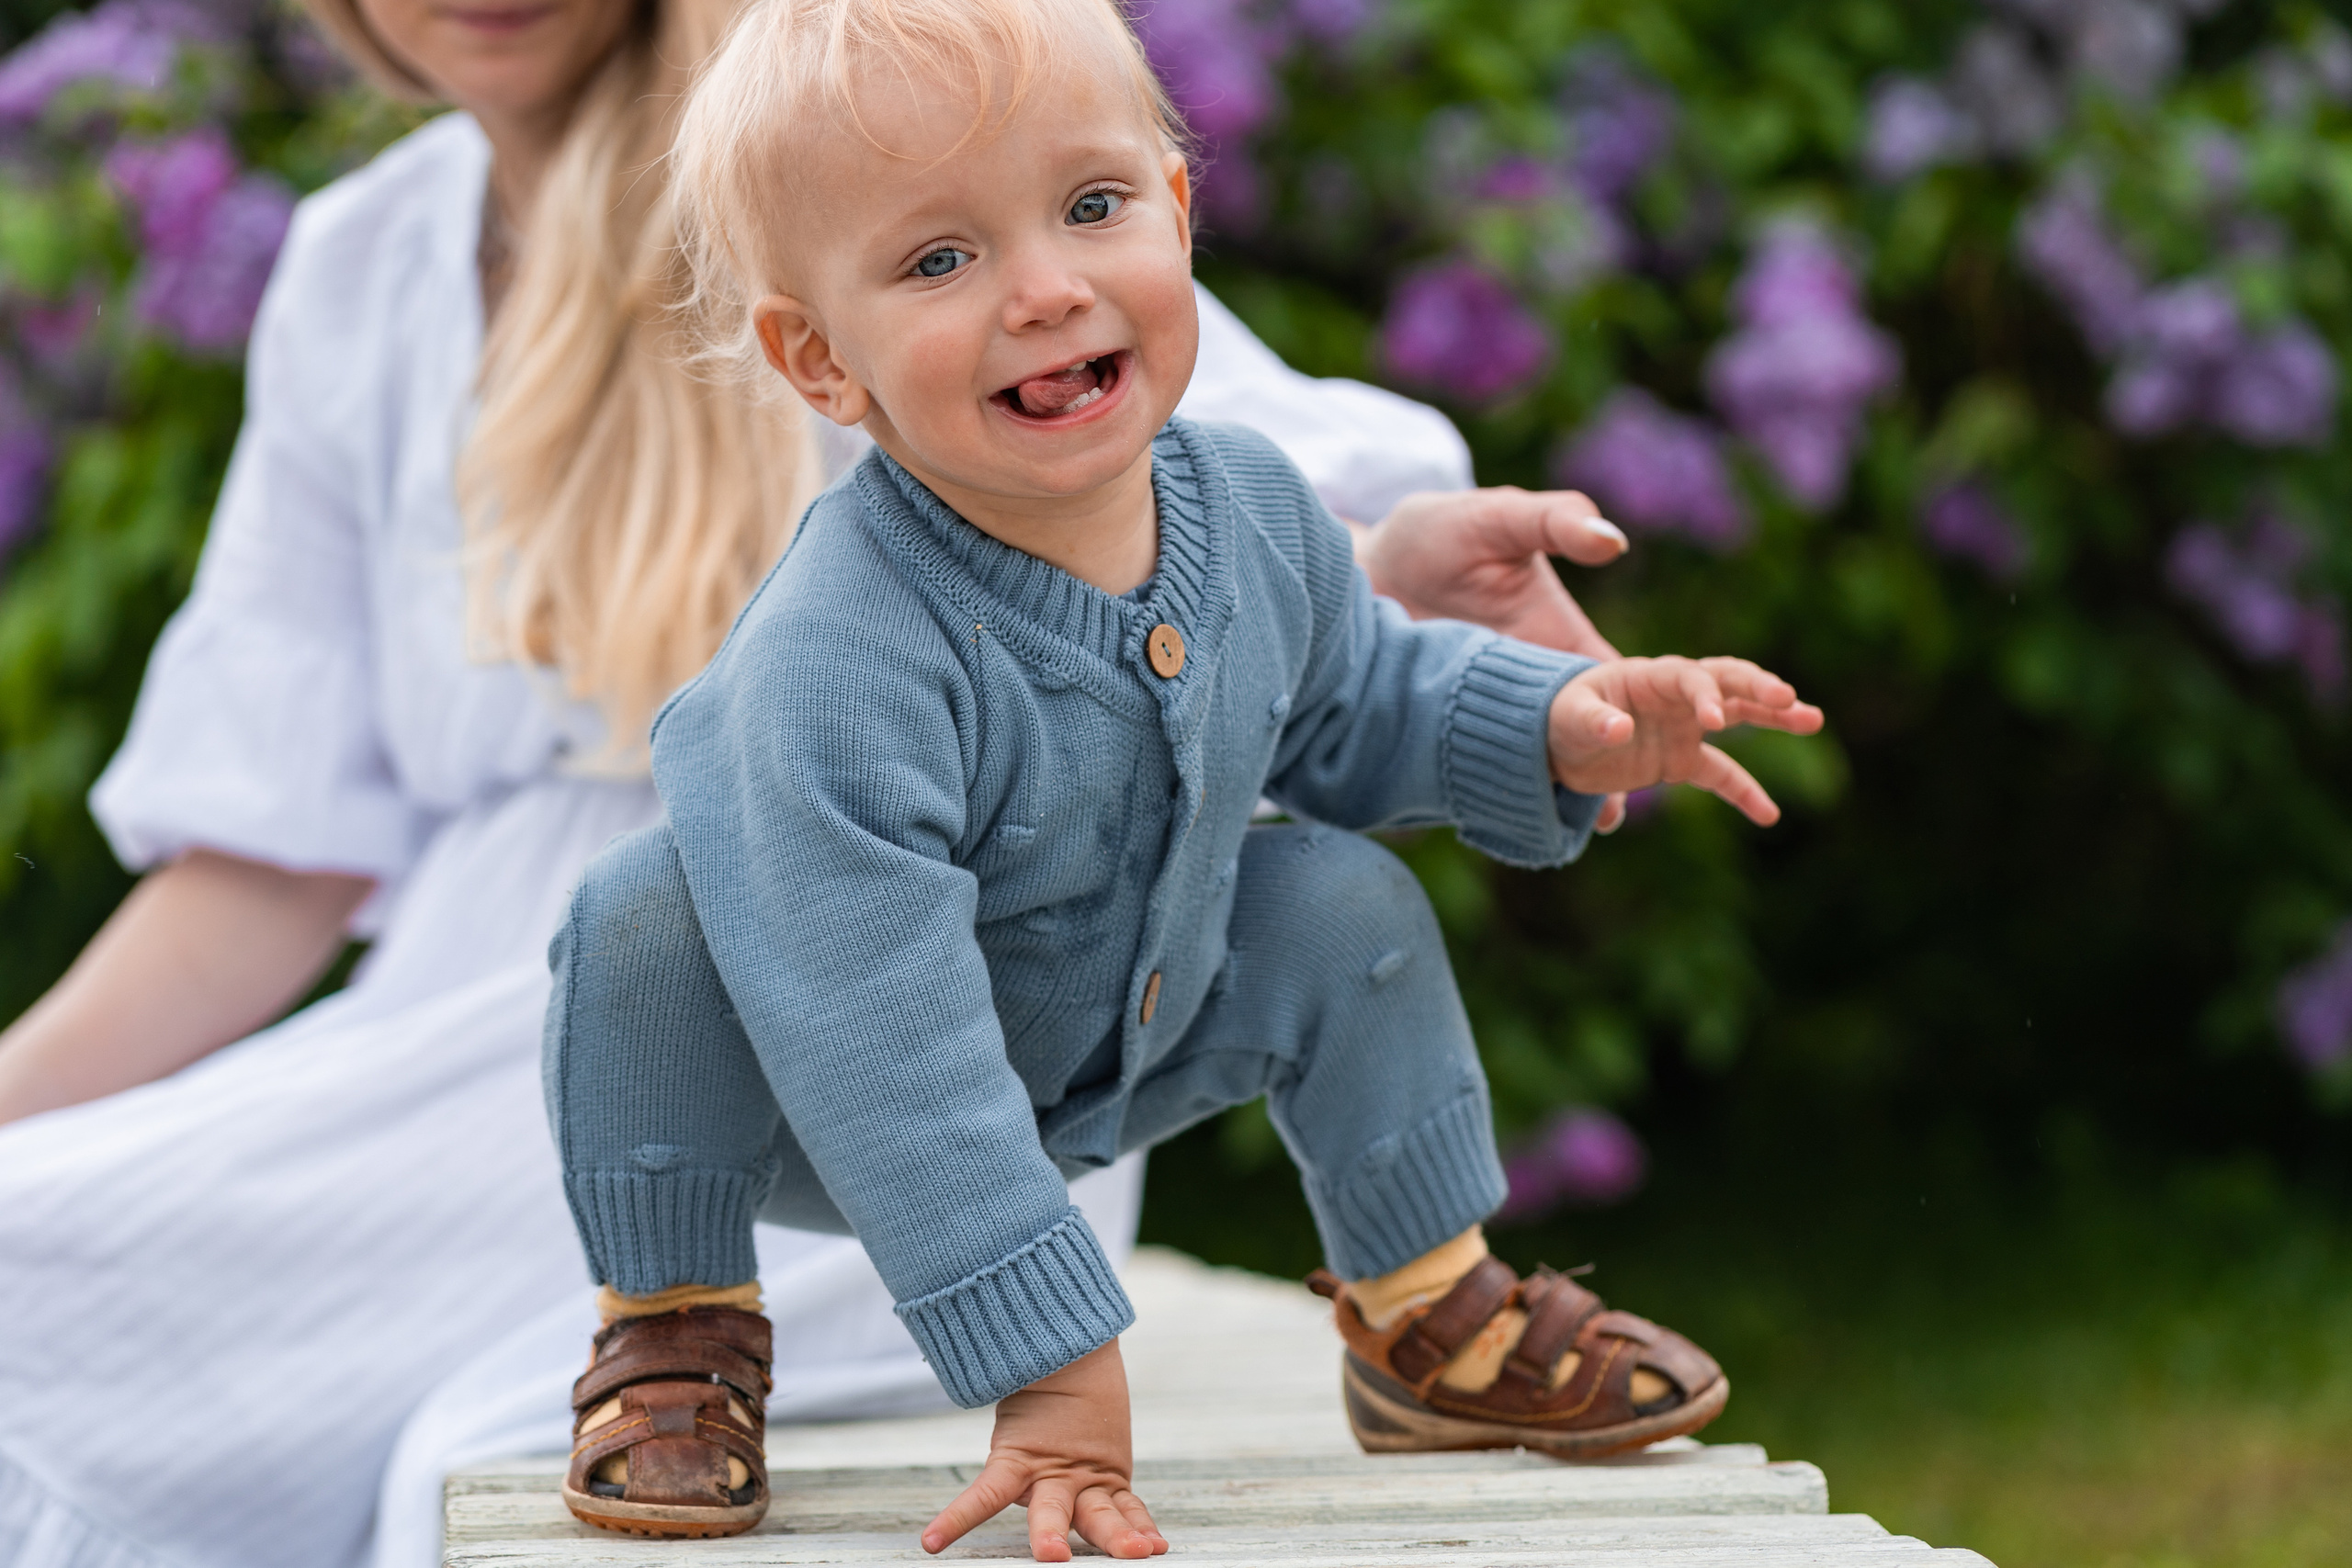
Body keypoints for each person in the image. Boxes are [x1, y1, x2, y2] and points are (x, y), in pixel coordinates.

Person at [0, 1, 1643, 1565]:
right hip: (523, 1021)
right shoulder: (360, 262)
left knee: (322, 1396)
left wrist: (1395, 570)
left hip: (917, 1012)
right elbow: (264, 861)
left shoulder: (838, 131)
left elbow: (1136, 440)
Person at [540, 0, 1825, 1555]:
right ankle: (675, 1330)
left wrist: (1562, 720)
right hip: (813, 1088)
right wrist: (1057, 1384)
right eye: (939, 262)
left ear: (1179, 205)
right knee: (642, 921)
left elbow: (1357, 700)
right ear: (820, 357)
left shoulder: (1251, 509)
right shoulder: (840, 654)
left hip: (1131, 1017)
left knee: (1342, 899)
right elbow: (887, 1044)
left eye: (1092, 207)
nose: (1045, 288)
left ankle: (1429, 1314)